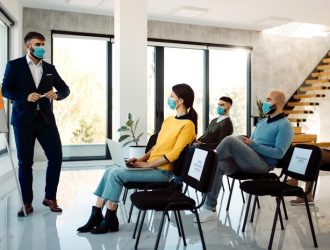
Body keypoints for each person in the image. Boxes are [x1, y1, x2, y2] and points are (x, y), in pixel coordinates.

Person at [77, 83, 197, 234]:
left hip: (162, 173)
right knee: (110, 170)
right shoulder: (169, 121)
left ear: (180, 101)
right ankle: (96, 214)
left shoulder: (188, 125)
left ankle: (110, 218)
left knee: (115, 174)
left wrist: (147, 165)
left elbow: (175, 154)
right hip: (152, 166)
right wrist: (140, 159)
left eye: (171, 96)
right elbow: (156, 147)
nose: (169, 99)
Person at [196, 90, 293, 223]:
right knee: (218, 164)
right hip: (249, 159)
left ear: (279, 103)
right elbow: (253, 142)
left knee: (230, 140)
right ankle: (210, 208)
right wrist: (245, 142)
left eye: (268, 100)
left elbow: (279, 153)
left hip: (263, 165)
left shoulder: (285, 126)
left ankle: (204, 164)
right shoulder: (262, 122)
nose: (265, 102)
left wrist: (253, 145)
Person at [1, 31, 70, 216]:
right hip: (23, 121)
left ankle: (50, 197)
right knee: (25, 163)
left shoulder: (49, 68)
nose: (41, 48)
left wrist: (58, 95)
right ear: (28, 45)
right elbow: (5, 89)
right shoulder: (14, 66)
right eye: (37, 45)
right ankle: (27, 203)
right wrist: (25, 96)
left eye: (43, 45)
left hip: (46, 120)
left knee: (56, 157)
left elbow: (65, 88)